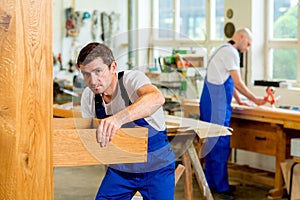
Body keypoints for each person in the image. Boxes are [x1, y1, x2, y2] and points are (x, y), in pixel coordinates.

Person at [76, 42, 175, 200]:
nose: (93, 81)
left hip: (157, 166)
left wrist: (117, 119)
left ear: (113, 67)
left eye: (98, 71)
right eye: (86, 74)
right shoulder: (89, 97)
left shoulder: (132, 80)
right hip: (121, 168)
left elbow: (156, 98)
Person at [199, 28, 266, 200]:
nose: (248, 48)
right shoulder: (231, 52)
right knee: (220, 146)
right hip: (217, 105)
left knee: (212, 145)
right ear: (241, 37)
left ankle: (210, 185)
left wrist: (240, 100)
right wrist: (255, 98)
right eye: (248, 44)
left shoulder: (221, 49)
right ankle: (222, 189)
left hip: (209, 103)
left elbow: (227, 79)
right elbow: (237, 81)